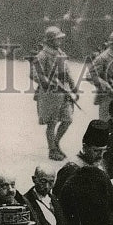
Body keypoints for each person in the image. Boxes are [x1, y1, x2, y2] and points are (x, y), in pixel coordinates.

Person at [56, 120, 113, 225]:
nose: (101, 156)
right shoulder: (71, 169)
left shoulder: (100, 165)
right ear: (84, 147)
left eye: (104, 151)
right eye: (96, 151)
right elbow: (58, 206)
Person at [31, 25, 79, 161]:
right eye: (57, 39)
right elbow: (35, 74)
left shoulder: (61, 54)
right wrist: (48, 82)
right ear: (50, 40)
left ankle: (56, 143)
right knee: (52, 122)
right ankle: (52, 149)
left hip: (64, 92)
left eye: (60, 39)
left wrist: (73, 87)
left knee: (67, 119)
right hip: (49, 94)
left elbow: (67, 72)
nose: (60, 41)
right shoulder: (42, 55)